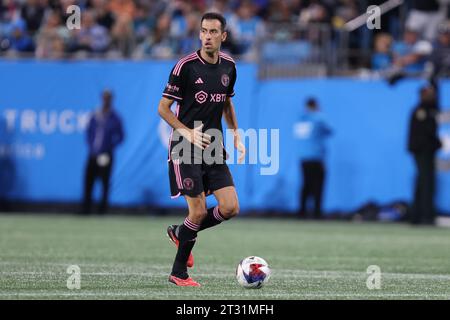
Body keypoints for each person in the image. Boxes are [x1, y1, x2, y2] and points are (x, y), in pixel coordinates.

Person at [157, 12, 245, 287]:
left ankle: (180, 233)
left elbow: (227, 104)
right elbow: (163, 108)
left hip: (213, 146)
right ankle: (178, 273)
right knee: (198, 211)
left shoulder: (229, 66)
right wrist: (187, 132)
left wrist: (236, 136)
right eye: (204, 31)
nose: (207, 36)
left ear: (223, 36)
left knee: (230, 207)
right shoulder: (185, 66)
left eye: (213, 32)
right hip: (185, 146)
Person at [82, 90, 124, 214]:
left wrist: (109, 147)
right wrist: (91, 146)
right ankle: (86, 208)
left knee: (104, 182)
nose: (106, 100)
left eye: (108, 98)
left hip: (106, 154)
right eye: (104, 97)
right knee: (88, 181)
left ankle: (102, 209)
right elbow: (89, 132)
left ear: (111, 100)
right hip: (93, 153)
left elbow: (121, 136)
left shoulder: (114, 117)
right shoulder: (95, 115)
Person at [407, 86, 442, 225]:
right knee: (426, 183)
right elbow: (426, 134)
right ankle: (425, 216)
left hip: (426, 151)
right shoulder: (421, 111)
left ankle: (418, 215)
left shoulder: (429, 110)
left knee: (422, 183)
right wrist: (436, 143)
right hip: (422, 152)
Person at [294, 98, 332, 220]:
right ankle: (317, 212)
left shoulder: (301, 120)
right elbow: (329, 130)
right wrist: (319, 113)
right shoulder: (319, 118)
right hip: (316, 157)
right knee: (318, 186)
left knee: (306, 185)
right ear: (315, 105)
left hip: (303, 157)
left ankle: (302, 211)